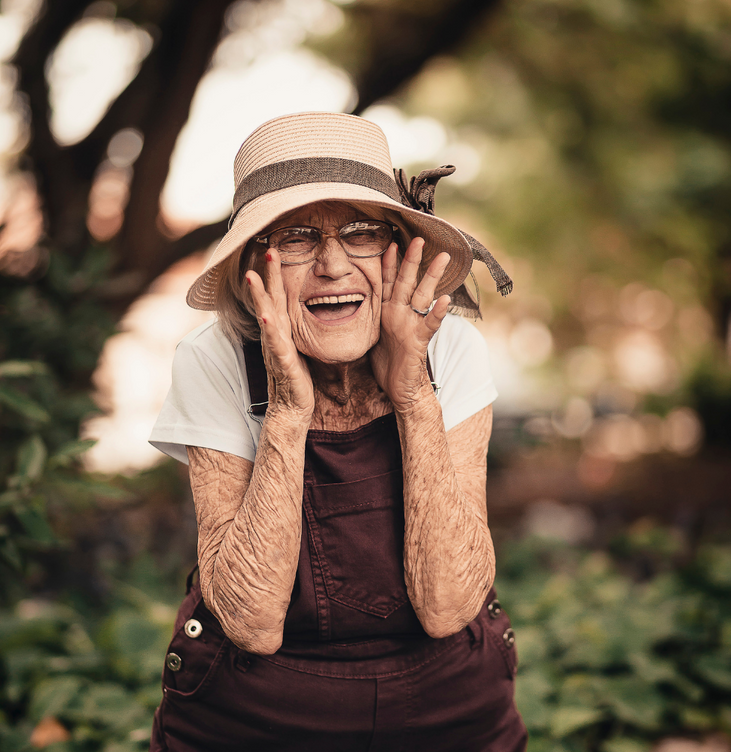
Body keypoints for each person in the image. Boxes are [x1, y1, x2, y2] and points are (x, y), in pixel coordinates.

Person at [148, 111, 526, 751]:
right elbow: (251, 620)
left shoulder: (451, 348)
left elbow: (448, 604)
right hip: (254, 717)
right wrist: (288, 410)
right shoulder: (211, 358)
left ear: (398, 251)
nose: (331, 265)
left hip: (448, 708)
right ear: (253, 265)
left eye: (360, 232)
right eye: (295, 238)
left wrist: (413, 393)